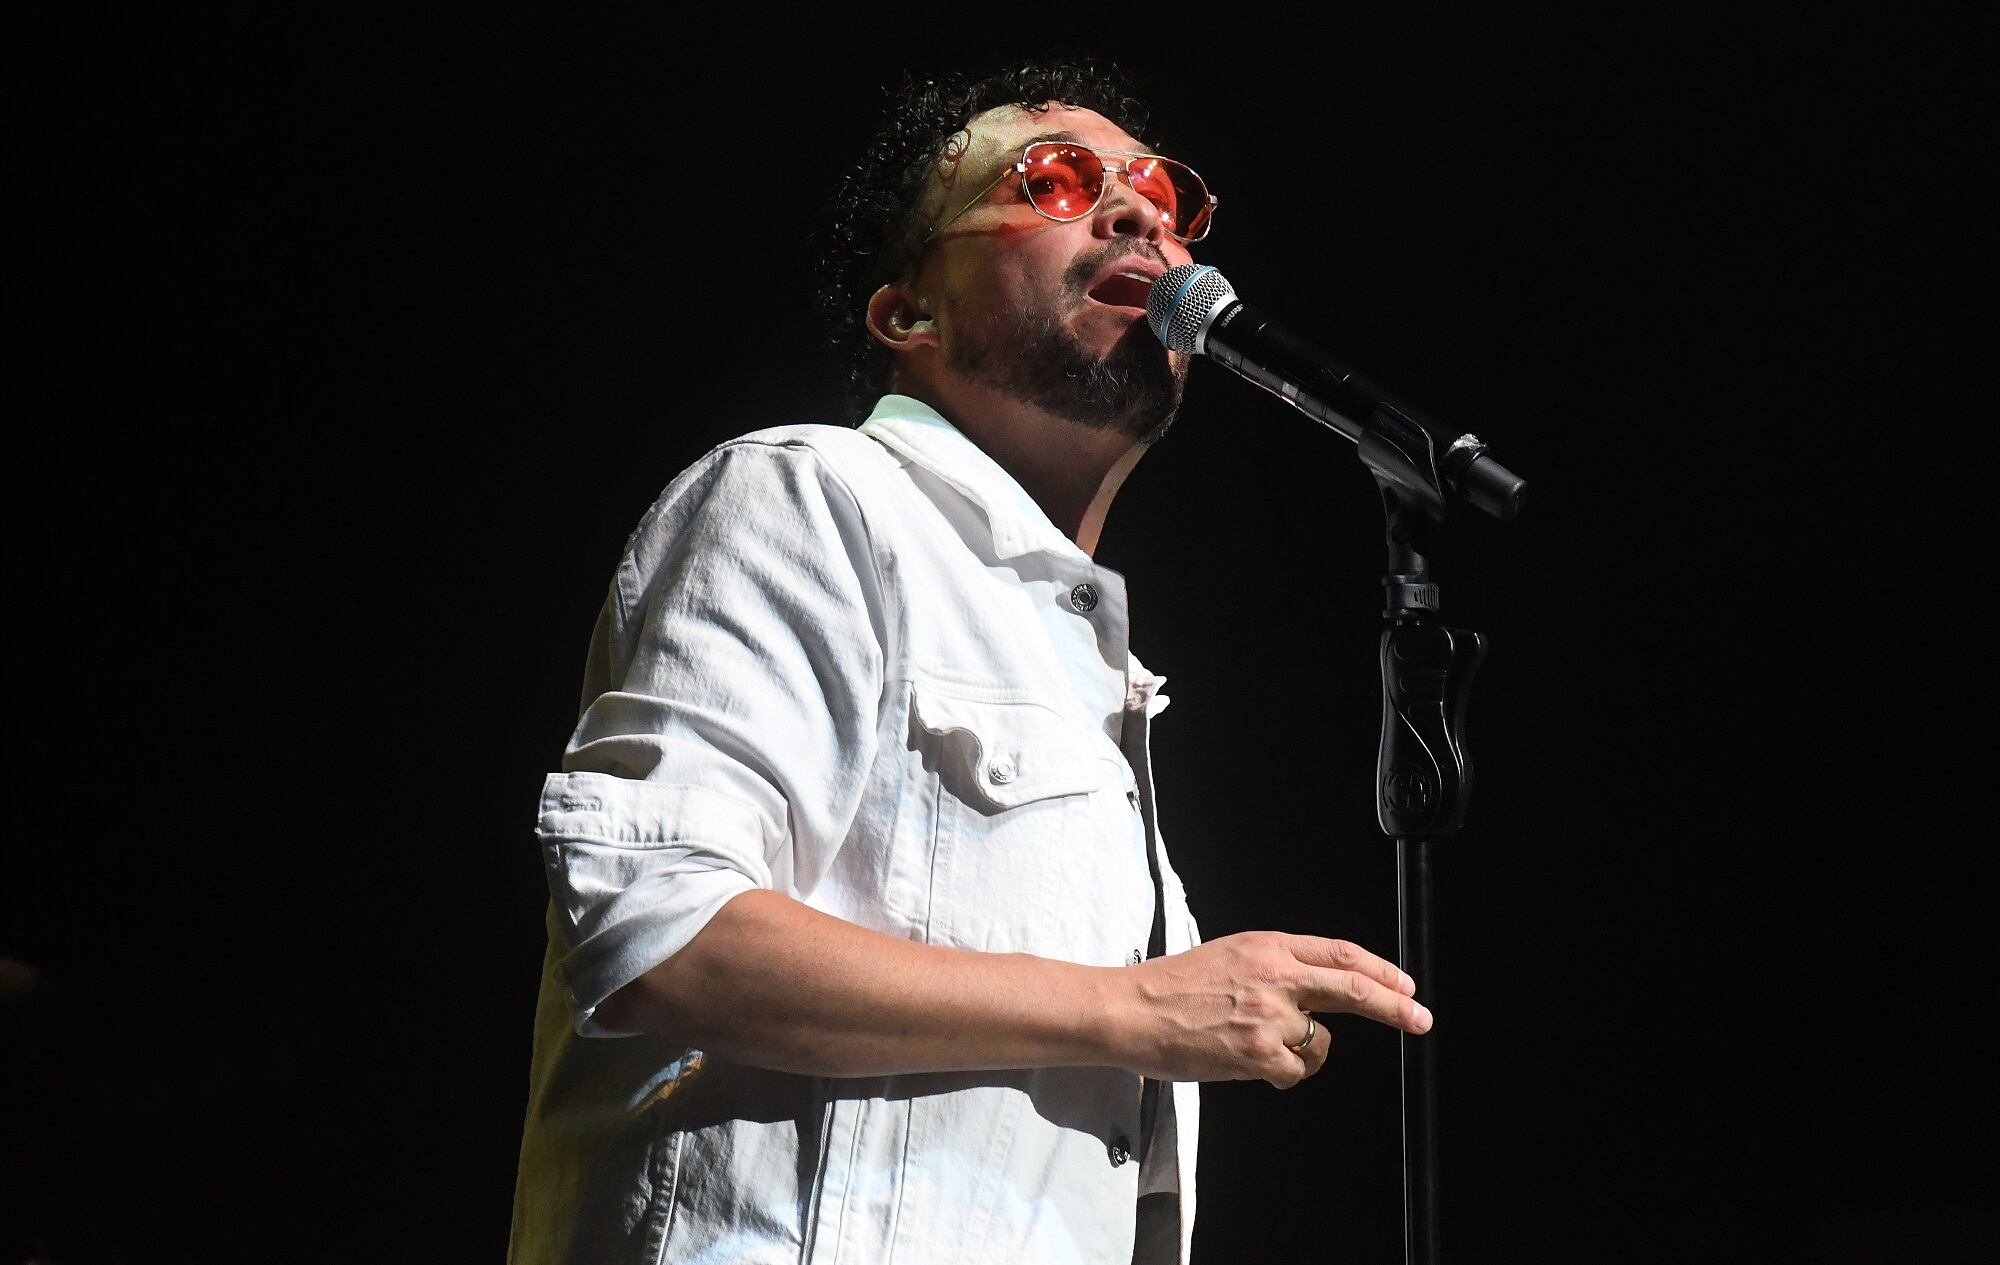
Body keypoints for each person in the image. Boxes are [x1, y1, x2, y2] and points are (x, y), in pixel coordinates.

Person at [508, 60, 1432, 1265]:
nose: (1136, 213)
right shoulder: (808, 492)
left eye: (1160, 193)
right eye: (1051, 181)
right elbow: (656, 929)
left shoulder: (1084, 663)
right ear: (909, 315)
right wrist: (1137, 1007)